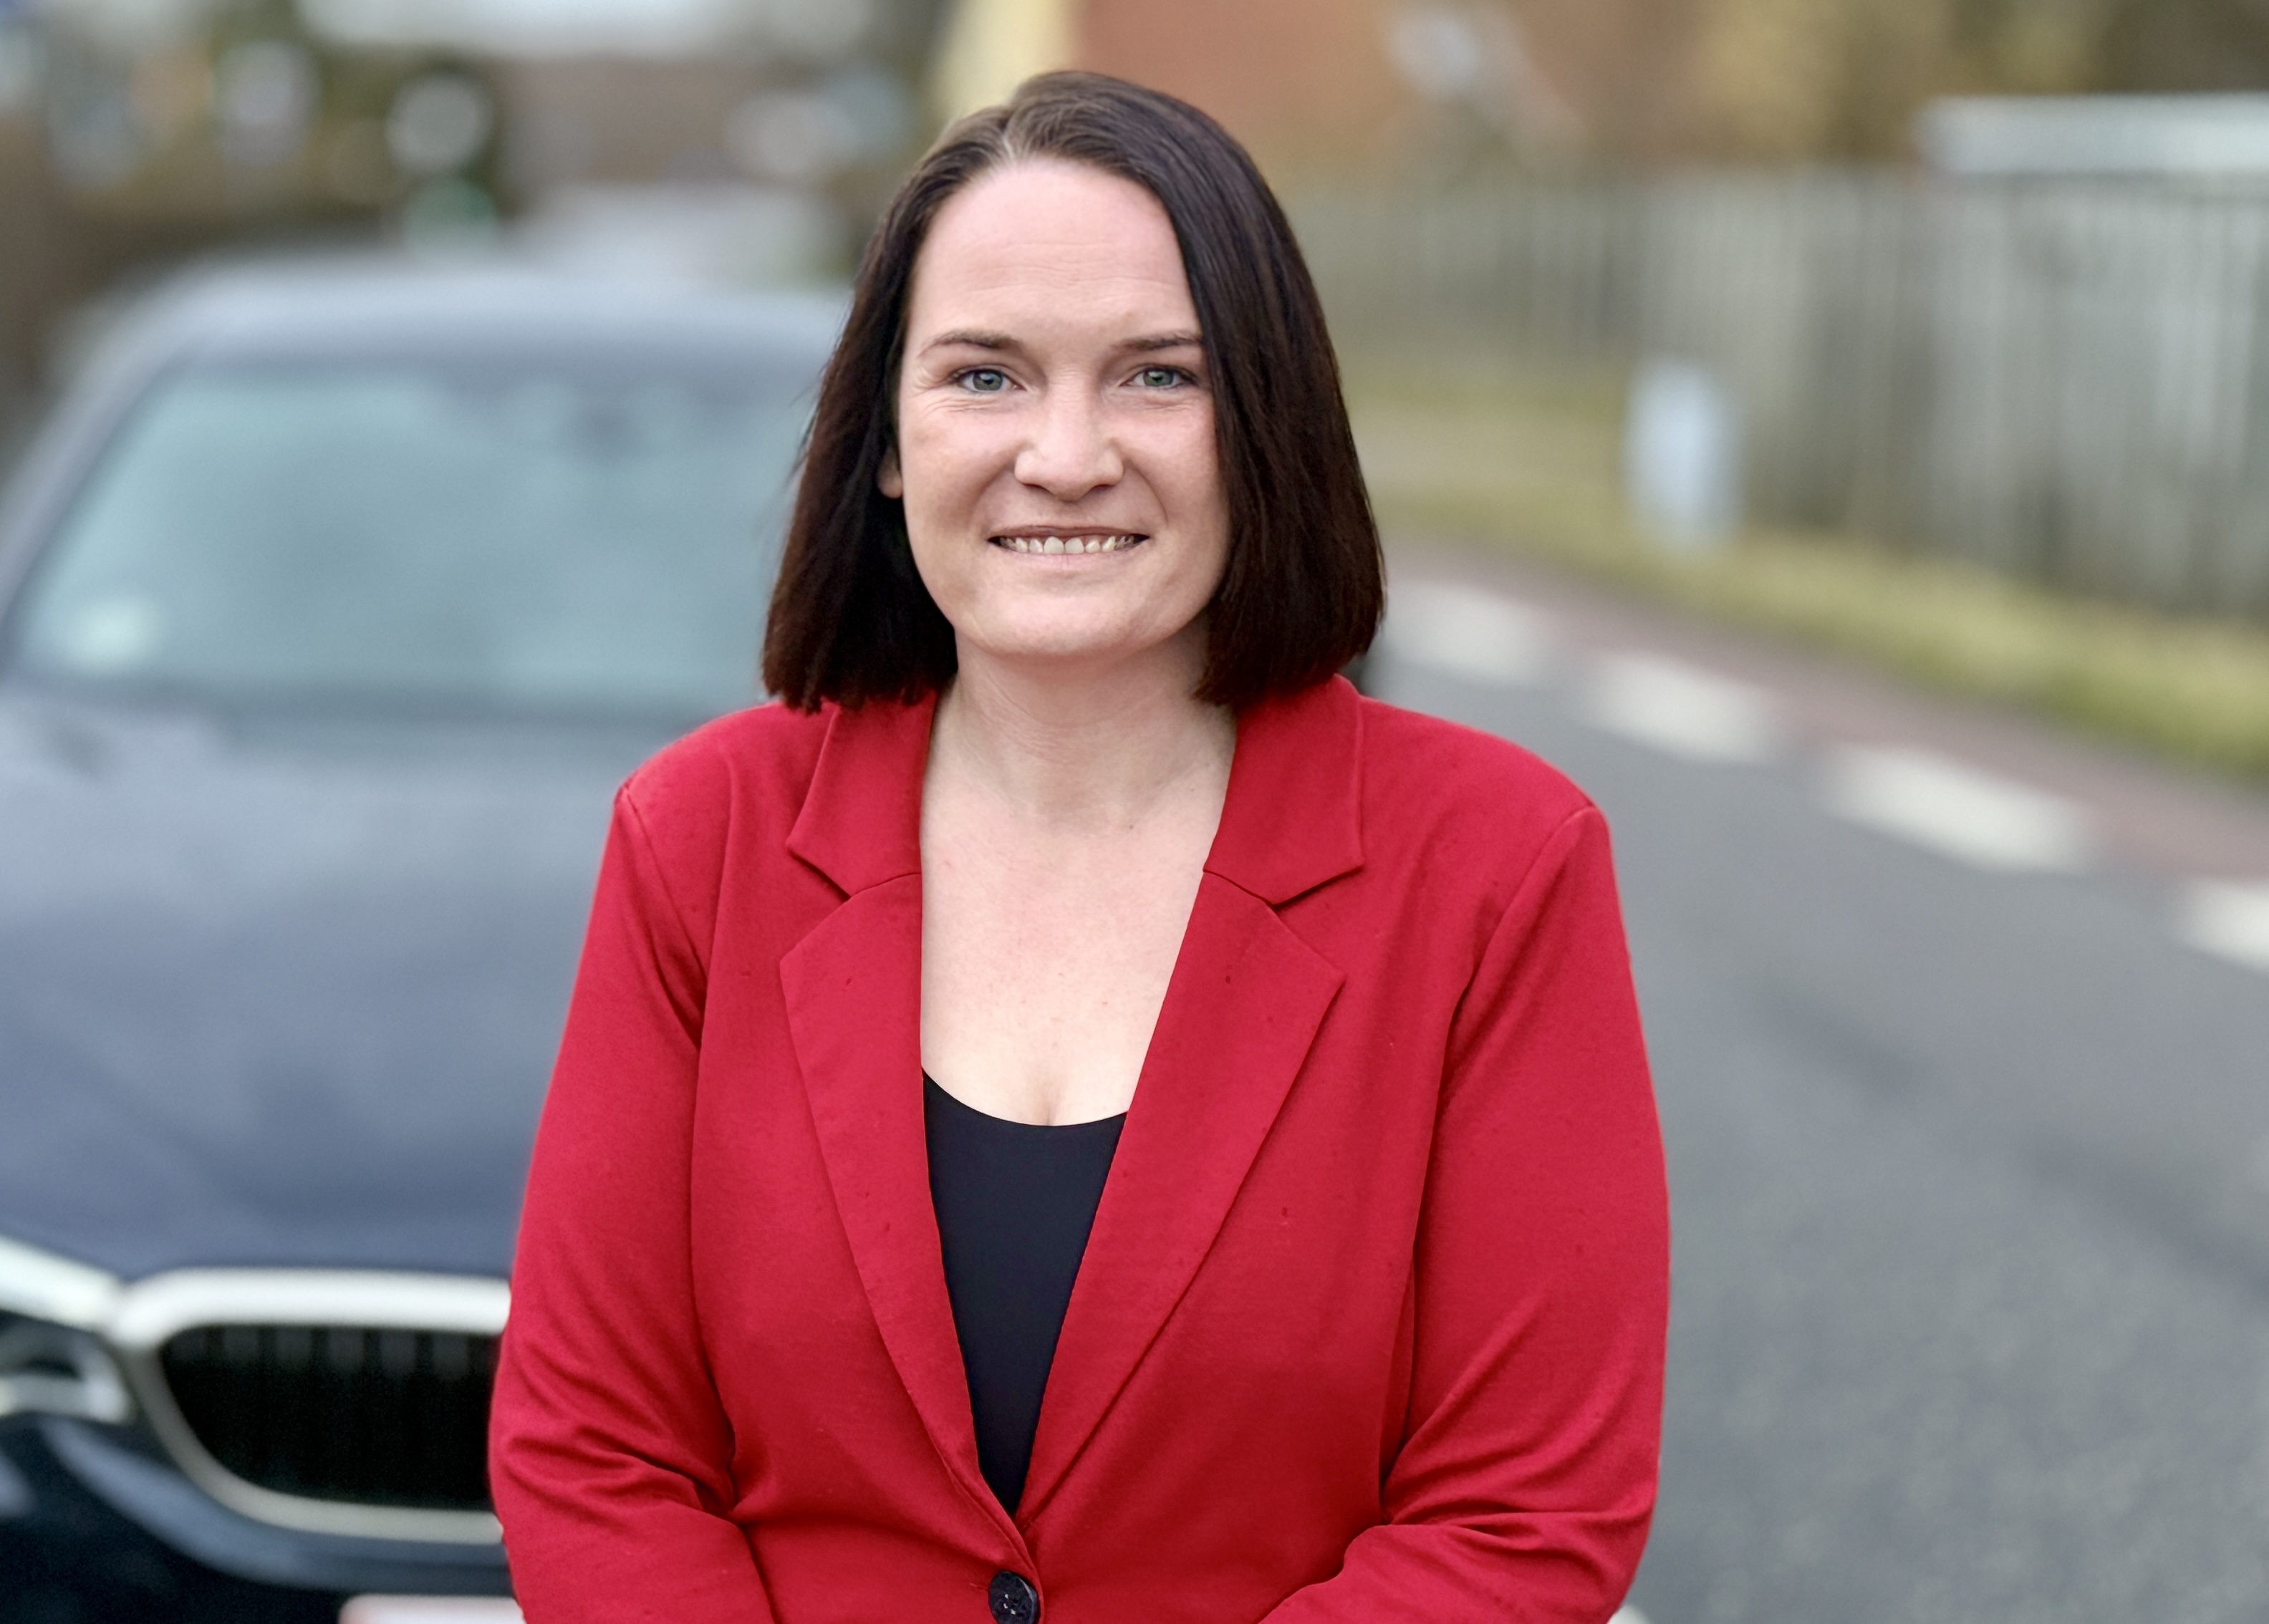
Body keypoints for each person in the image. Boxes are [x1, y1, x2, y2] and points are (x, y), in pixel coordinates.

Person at [489, 72, 1668, 1623]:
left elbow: (1525, 1513)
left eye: (1156, 377)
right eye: (985, 375)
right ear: (886, 440)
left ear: (1265, 427)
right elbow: (595, 1450)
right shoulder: (699, 838)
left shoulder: (1502, 869)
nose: (1064, 454)